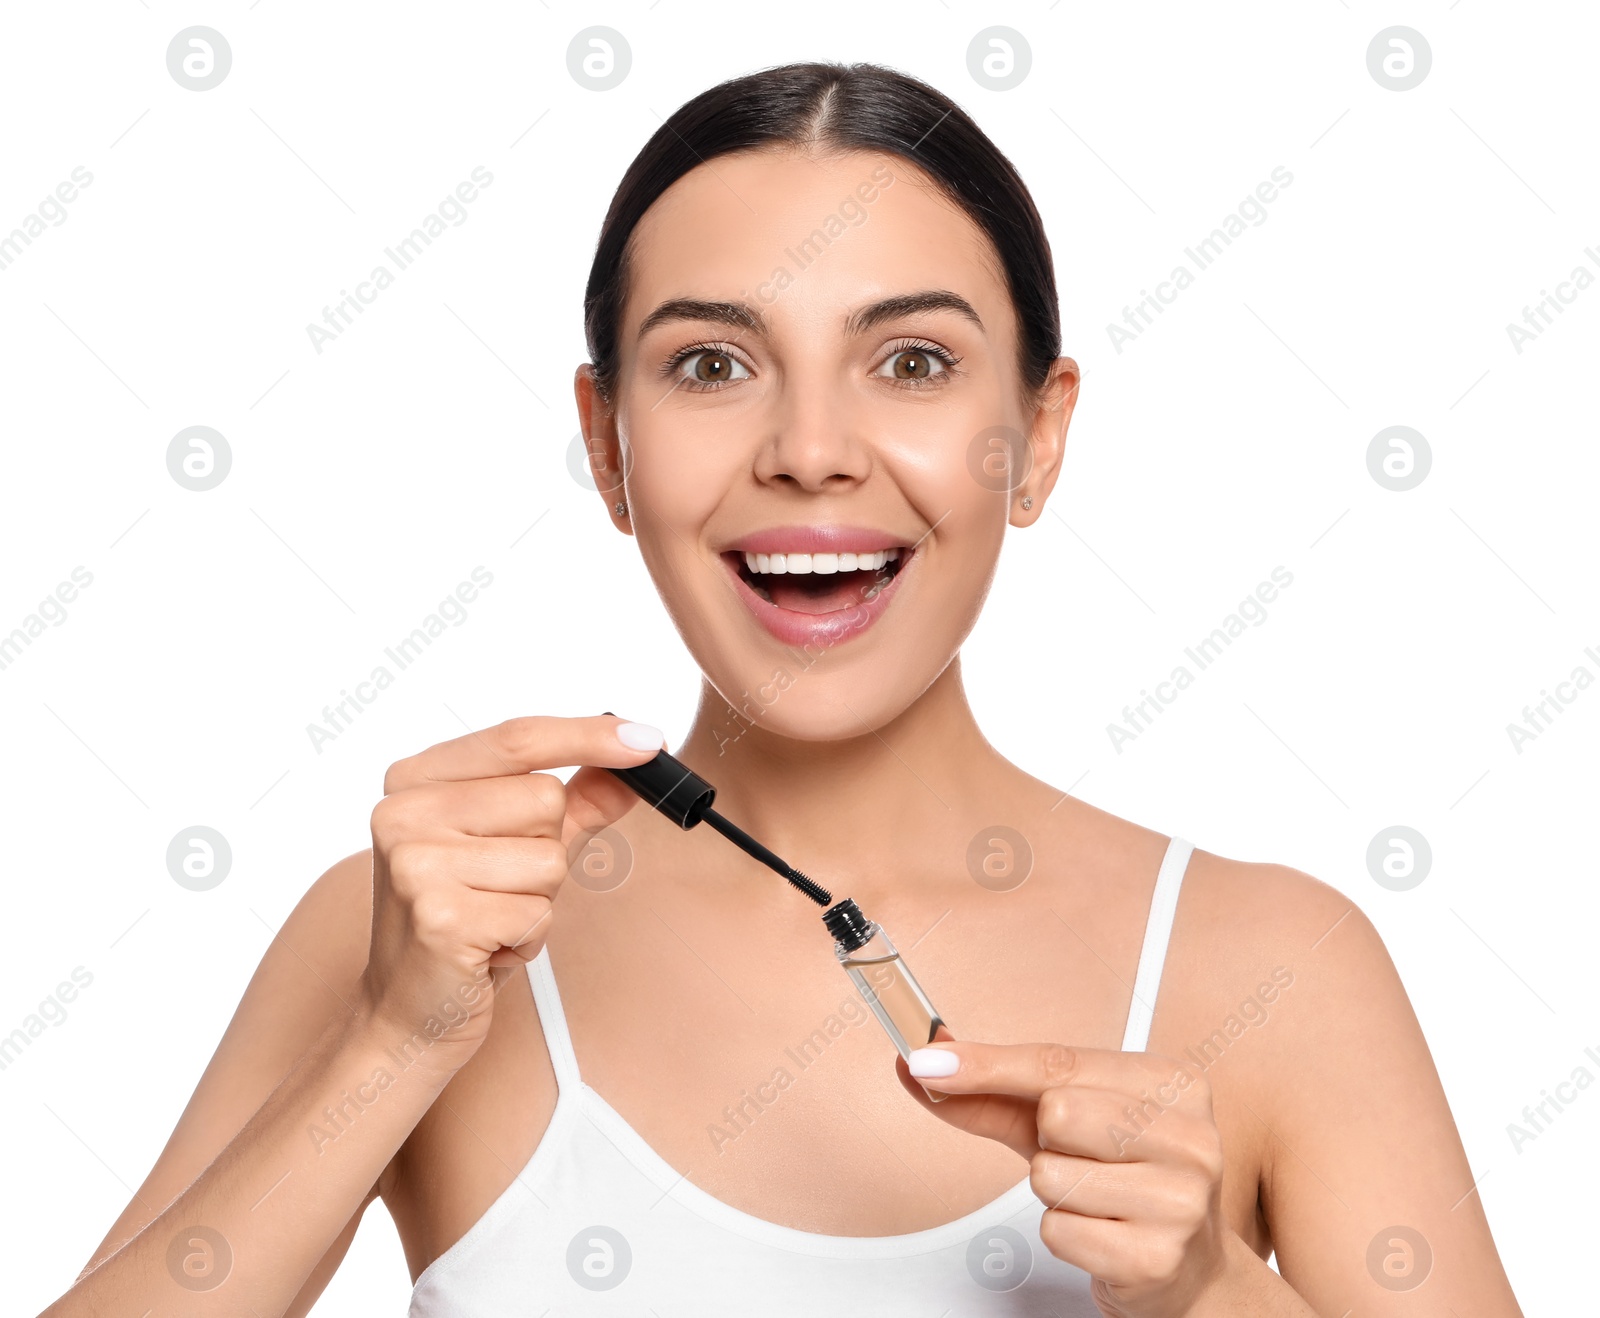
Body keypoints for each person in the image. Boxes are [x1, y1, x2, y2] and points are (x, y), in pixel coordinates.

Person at [42, 61, 1523, 1316]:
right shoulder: (411, 946)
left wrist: (1211, 1287)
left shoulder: (1275, 966)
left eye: (914, 360)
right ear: (609, 445)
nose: (811, 449)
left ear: (1040, 436)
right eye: (709, 366)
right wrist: (389, 1041)